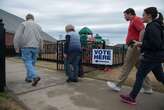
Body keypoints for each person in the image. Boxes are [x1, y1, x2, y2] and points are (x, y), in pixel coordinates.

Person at [120, 7, 164, 105]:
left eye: (143, 15)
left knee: (140, 75)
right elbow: (154, 42)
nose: (142, 17)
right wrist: (140, 42)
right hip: (156, 57)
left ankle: (131, 97)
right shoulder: (154, 25)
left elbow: (156, 44)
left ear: (149, 15)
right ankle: (134, 95)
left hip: (152, 57)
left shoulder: (152, 26)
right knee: (160, 77)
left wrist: (140, 44)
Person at [107, 8, 152, 93]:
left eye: (125, 15)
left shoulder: (135, 19)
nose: (124, 17)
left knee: (126, 66)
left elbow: (142, 30)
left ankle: (117, 85)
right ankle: (148, 88)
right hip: (135, 47)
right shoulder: (133, 21)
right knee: (141, 69)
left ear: (130, 14)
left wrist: (139, 43)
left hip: (134, 47)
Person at [14, 14, 43, 86]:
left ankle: (34, 76)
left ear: (26, 18)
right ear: (33, 18)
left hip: (26, 47)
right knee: (32, 64)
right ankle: (29, 78)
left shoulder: (23, 24)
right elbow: (41, 39)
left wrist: (16, 47)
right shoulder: (38, 26)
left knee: (28, 62)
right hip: (36, 47)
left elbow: (17, 36)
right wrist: (41, 48)